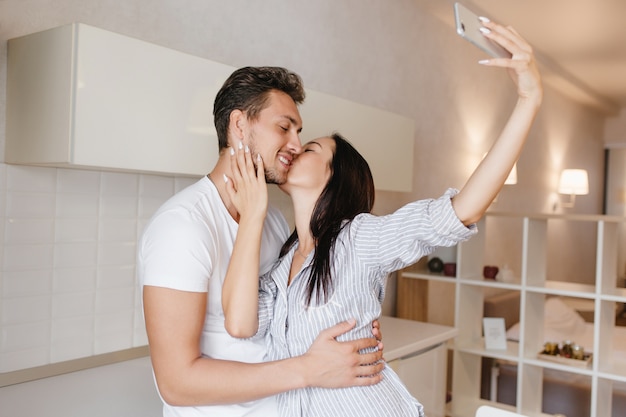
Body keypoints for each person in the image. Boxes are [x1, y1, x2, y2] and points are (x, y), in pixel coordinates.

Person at [221, 19, 542, 417]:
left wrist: (528, 99)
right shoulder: (283, 264)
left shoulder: (359, 239)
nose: (294, 146)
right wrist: (252, 216)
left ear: (333, 178)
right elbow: (239, 324)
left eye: (310, 148)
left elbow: (462, 210)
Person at [138, 66, 385, 417]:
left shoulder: (271, 220)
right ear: (239, 126)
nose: (296, 145)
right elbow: (177, 383)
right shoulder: (182, 227)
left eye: (298, 132)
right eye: (284, 128)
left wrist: (356, 332)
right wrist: (309, 368)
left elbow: (288, 316)